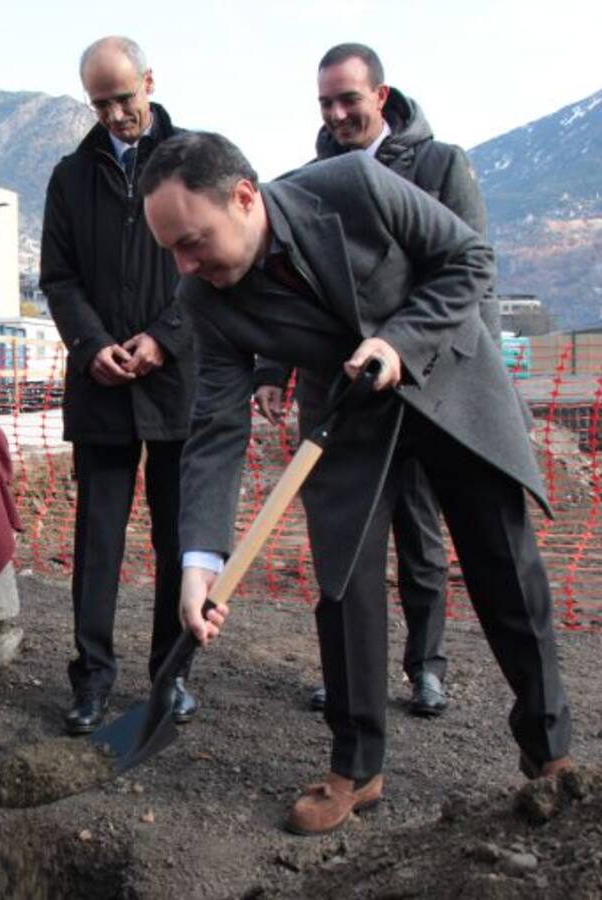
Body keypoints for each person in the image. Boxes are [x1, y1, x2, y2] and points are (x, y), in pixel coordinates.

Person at [140, 131, 572, 835]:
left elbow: (469, 260)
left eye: (193, 242)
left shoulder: (352, 186)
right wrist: (199, 562)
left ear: (243, 199)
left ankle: (550, 751)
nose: (185, 265)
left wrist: (399, 340)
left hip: (447, 379)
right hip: (345, 417)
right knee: (342, 586)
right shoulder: (203, 296)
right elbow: (215, 426)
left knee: (505, 569)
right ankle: (357, 766)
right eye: (172, 251)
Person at [254, 42, 498, 718]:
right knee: (345, 538)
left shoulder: (440, 165)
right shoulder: (308, 181)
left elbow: (472, 274)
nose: (336, 114)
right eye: (325, 103)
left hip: (422, 387)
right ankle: (348, 672)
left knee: (420, 533)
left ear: (381, 97)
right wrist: (272, 370)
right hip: (341, 391)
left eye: (349, 100)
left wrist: (477, 386)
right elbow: (291, 287)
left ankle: (426, 667)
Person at [40, 36, 197, 735]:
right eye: (99, 103)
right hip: (99, 385)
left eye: (123, 99)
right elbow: (59, 278)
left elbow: (213, 265)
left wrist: (165, 336)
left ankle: (171, 675)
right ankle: (93, 677)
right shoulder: (71, 178)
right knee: (98, 540)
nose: (113, 115)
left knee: (176, 540)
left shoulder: (195, 162)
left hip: (176, 385)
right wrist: (91, 345)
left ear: (150, 83)